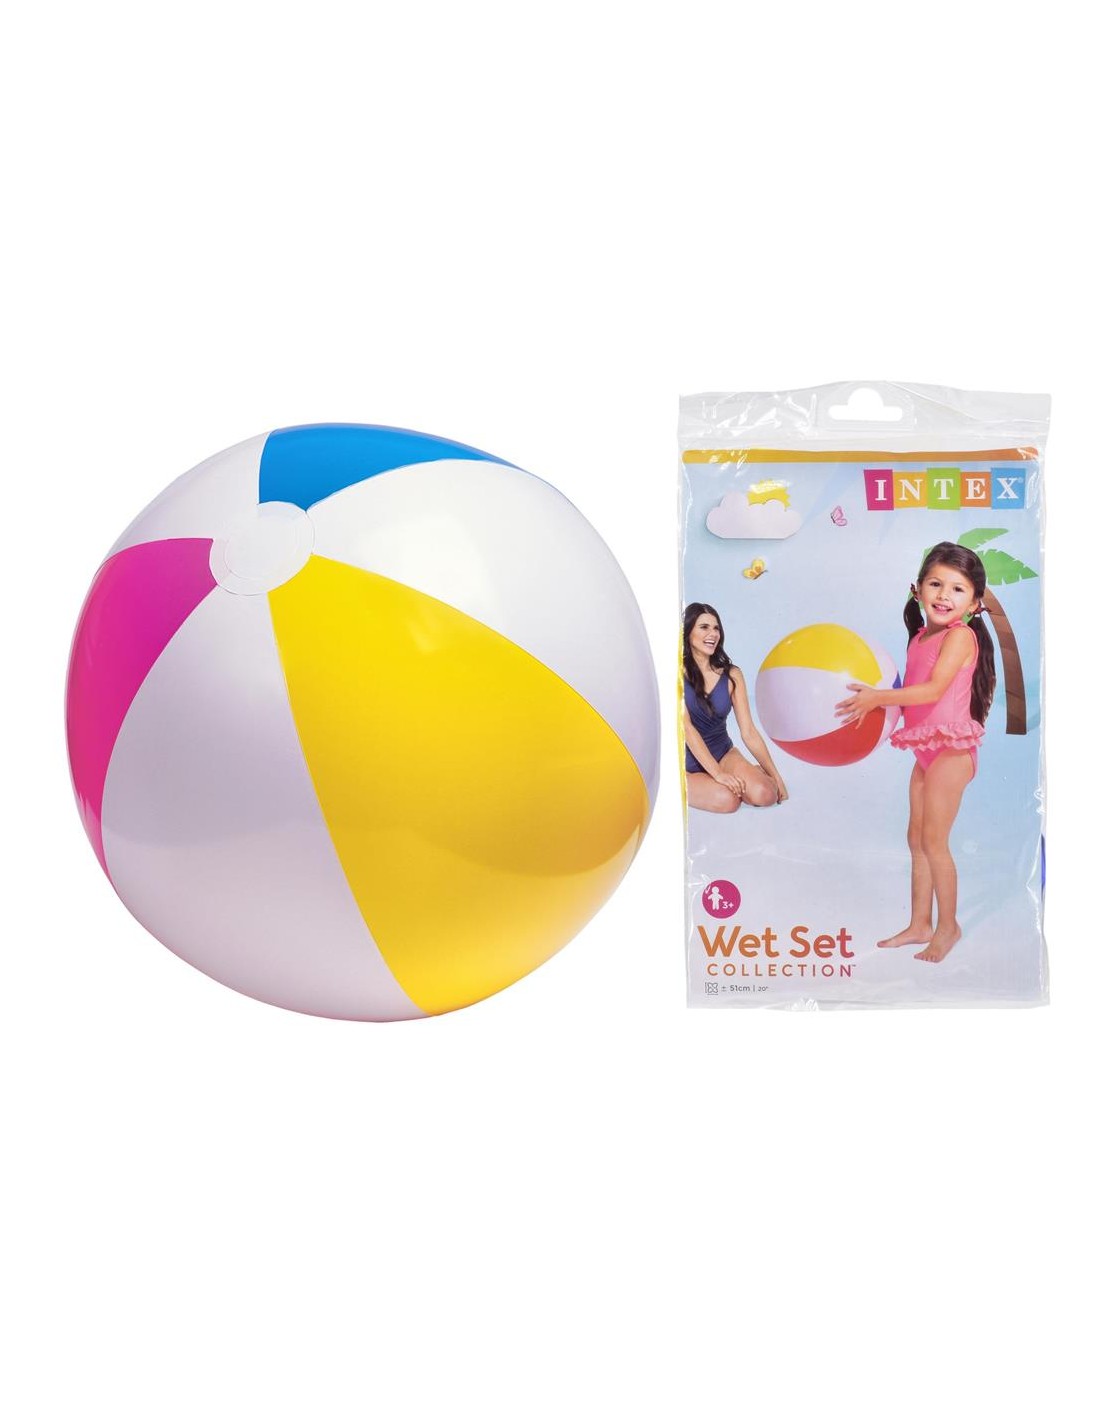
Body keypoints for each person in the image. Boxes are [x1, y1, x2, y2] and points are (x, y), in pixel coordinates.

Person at [836, 543, 995, 963]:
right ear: (918, 589)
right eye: (936, 584)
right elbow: (910, 697)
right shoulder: (921, 637)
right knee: (916, 838)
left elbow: (933, 690)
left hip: (952, 751)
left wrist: (877, 698)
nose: (944, 595)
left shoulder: (960, 637)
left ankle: (948, 928)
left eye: (958, 589)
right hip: (926, 749)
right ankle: (920, 923)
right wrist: (873, 705)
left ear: (974, 604)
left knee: (934, 841)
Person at [682, 602, 787, 813]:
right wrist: (718, 774)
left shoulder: (732, 675)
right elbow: (688, 730)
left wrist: (776, 776)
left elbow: (748, 732)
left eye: (716, 628)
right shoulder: (675, 673)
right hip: (686, 764)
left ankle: (754, 774)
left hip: (723, 754)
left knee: (766, 794)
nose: (713, 633)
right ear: (688, 632)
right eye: (704, 627)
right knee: (728, 801)